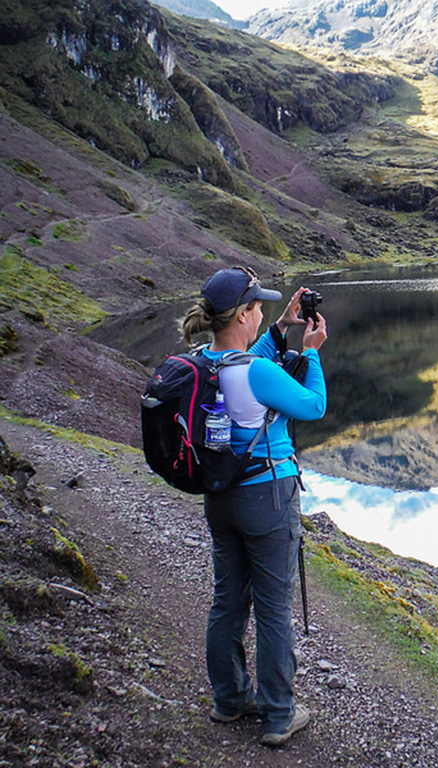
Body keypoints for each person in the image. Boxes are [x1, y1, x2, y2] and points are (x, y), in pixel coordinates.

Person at [181, 265, 328, 747]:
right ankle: (279, 714)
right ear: (243, 314)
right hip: (267, 496)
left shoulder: (205, 360)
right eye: (258, 306)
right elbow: (312, 406)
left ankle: (229, 699)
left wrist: (281, 326)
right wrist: (311, 353)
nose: (262, 311)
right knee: (272, 606)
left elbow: (244, 360)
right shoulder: (259, 373)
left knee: (228, 599)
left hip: (220, 498)